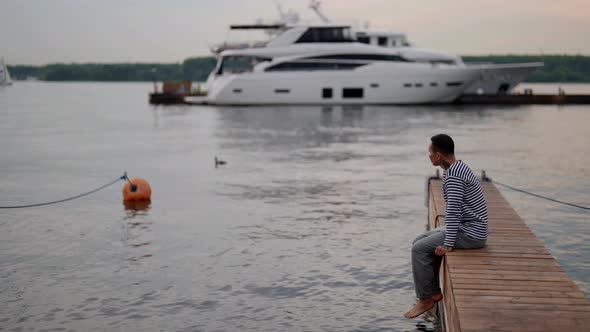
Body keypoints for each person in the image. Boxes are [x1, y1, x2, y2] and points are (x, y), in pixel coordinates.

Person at [404, 134, 488, 319]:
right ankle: (433, 291)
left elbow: (453, 211)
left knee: (418, 249)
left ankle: (425, 299)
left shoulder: (454, 176)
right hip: (468, 226)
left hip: (471, 233)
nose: (429, 156)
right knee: (419, 240)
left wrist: (448, 243)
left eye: (430, 152)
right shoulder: (459, 167)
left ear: (439, 155)